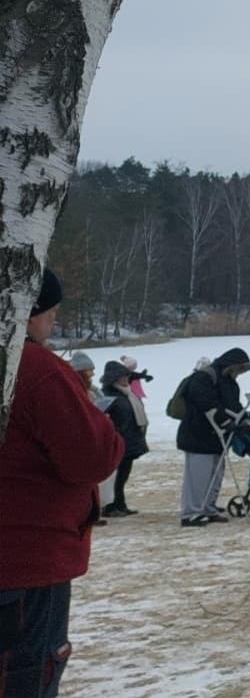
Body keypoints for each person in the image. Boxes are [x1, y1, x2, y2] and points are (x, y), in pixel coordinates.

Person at [0, 269, 123, 697]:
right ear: (29, 313)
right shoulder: (34, 367)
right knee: (27, 672)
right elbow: (90, 456)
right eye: (51, 315)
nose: (53, 326)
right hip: (26, 557)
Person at [177, 347, 250, 527]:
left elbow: (233, 405)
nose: (240, 373)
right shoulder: (204, 377)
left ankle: (208, 508)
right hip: (198, 434)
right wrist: (225, 421)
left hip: (218, 437)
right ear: (231, 366)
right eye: (240, 369)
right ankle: (191, 513)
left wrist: (243, 420)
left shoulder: (229, 382)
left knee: (215, 474)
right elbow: (205, 402)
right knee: (198, 476)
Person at [96, 361, 149, 517]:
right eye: (122, 377)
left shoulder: (127, 394)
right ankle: (110, 507)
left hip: (130, 441)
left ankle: (120, 503)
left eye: (127, 376)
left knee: (123, 476)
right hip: (117, 442)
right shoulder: (108, 396)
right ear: (114, 378)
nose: (126, 379)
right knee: (113, 477)